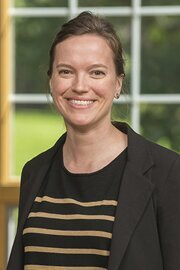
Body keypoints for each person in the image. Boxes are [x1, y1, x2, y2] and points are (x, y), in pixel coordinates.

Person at [7, 11, 180, 270]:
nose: (80, 85)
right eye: (66, 71)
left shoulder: (167, 172)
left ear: (118, 83)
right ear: (51, 81)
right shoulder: (35, 172)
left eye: (96, 73)